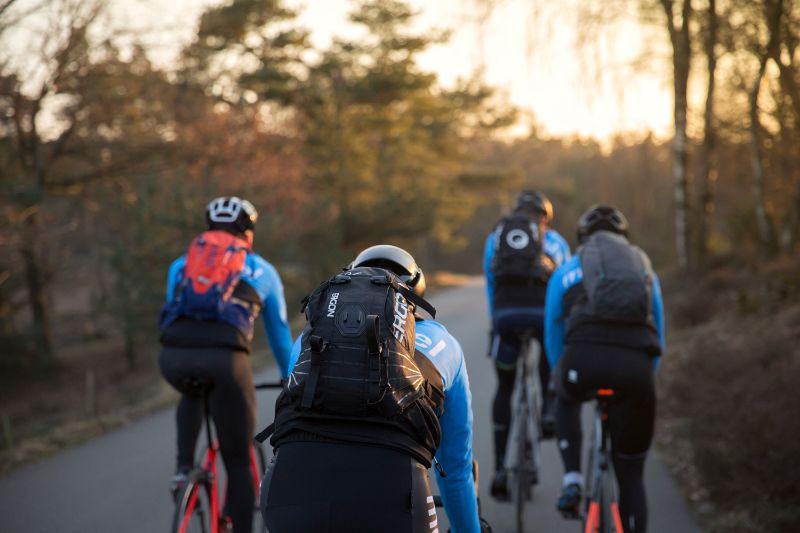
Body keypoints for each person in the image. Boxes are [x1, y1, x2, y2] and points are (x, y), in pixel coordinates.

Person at [260, 245, 482, 533]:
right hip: (393, 499)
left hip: (289, 492)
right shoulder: (442, 344)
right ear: (414, 298)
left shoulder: (309, 339)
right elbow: (455, 469)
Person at [158, 196, 293, 533]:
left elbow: (172, 314)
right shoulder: (264, 270)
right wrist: (290, 379)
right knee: (237, 461)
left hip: (173, 357)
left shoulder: (182, 264)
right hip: (226, 360)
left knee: (192, 390)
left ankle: (182, 471)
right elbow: (279, 336)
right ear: (248, 234)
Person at [544, 205, 665, 533]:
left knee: (565, 396)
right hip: (634, 369)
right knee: (631, 474)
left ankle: (572, 478)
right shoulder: (643, 268)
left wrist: (560, 374)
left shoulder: (568, 267)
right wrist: (643, 381)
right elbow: (659, 335)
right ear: (624, 240)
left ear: (582, 238)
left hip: (582, 362)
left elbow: (553, 330)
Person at [482, 190, 571, 499]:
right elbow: (564, 287)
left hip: (506, 318)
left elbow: (491, 283)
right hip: (541, 317)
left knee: (504, 388)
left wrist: (496, 325)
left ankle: (498, 471)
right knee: (549, 344)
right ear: (544, 218)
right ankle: (548, 408)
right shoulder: (556, 241)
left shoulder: (496, 236)